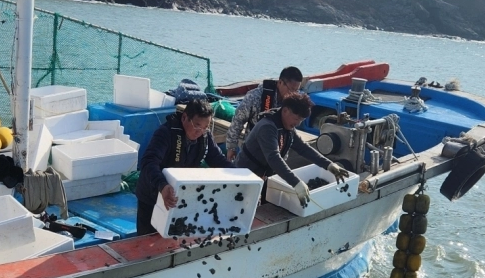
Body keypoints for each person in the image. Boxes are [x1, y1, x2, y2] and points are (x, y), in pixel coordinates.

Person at [135, 98, 232, 236]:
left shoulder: (205, 136)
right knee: (147, 238)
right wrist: (162, 185)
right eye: (197, 125)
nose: (200, 131)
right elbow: (149, 162)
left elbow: (219, 160)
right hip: (152, 195)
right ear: (185, 118)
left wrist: (241, 177)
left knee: (174, 237)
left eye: (206, 127)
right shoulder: (165, 133)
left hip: (180, 198)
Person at [235, 93, 349, 207]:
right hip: (245, 176)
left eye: (301, 120)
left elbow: (303, 148)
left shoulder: (287, 126)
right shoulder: (267, 127)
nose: (297, 124)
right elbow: (273, 158)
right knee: (242, 206)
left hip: (263, 177)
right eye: (296, 118)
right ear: (285, 111)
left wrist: (328, 165)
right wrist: (296, 183)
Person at [226, 66, 304, 161]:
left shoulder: (292, 102)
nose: (293, 94)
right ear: (280, 82)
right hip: (253, 152)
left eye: (297, 91)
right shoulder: (256, 96)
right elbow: (238, 121)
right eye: (291, 90)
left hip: (276, 154)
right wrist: (231, 147)